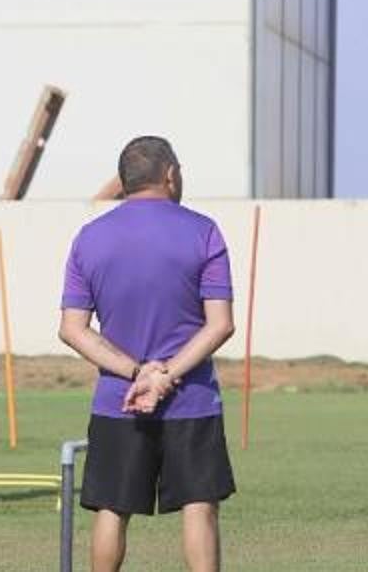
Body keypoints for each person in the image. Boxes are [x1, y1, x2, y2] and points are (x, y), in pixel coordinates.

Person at [58, 136, 236, 572]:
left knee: (112, 510)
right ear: (170, 174)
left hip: (118, 400)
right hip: (191, 399)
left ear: (124, 181)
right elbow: (221, 323)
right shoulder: (203, 230)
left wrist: (139, 372)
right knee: (199, 507)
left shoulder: (89, 238)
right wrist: (166, 375)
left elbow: (72, 329)